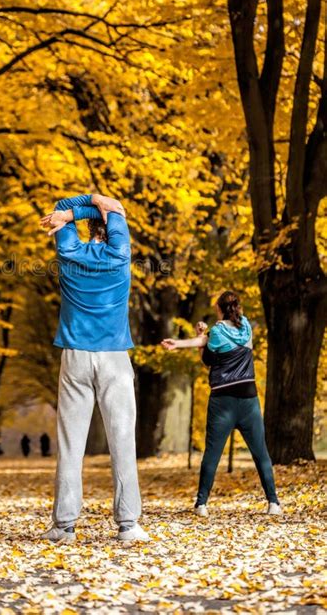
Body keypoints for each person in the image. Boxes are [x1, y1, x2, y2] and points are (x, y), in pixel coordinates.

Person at [39, 193, 148, 543]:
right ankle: (129, 525)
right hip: (115, 356)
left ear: (83, 228)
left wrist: (71, 212)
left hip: (75, 356)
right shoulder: (120, 253)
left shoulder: (68, 252)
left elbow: (60, 208)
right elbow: (114, 205)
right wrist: (96, 201)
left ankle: (64, 526)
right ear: (114, 229)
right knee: (122, 439)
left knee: (71, 444)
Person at [161, 290, 282, 517]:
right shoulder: (247, 327)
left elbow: (207, 357)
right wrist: (192, 339)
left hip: (222, 401)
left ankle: (201, 504)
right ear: (238, 308)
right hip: (249, 401)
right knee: (261, 453)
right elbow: (209, 340)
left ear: (218, 308)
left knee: (212, 454)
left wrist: (186, 340)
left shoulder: (216, 331)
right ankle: (273, 503)